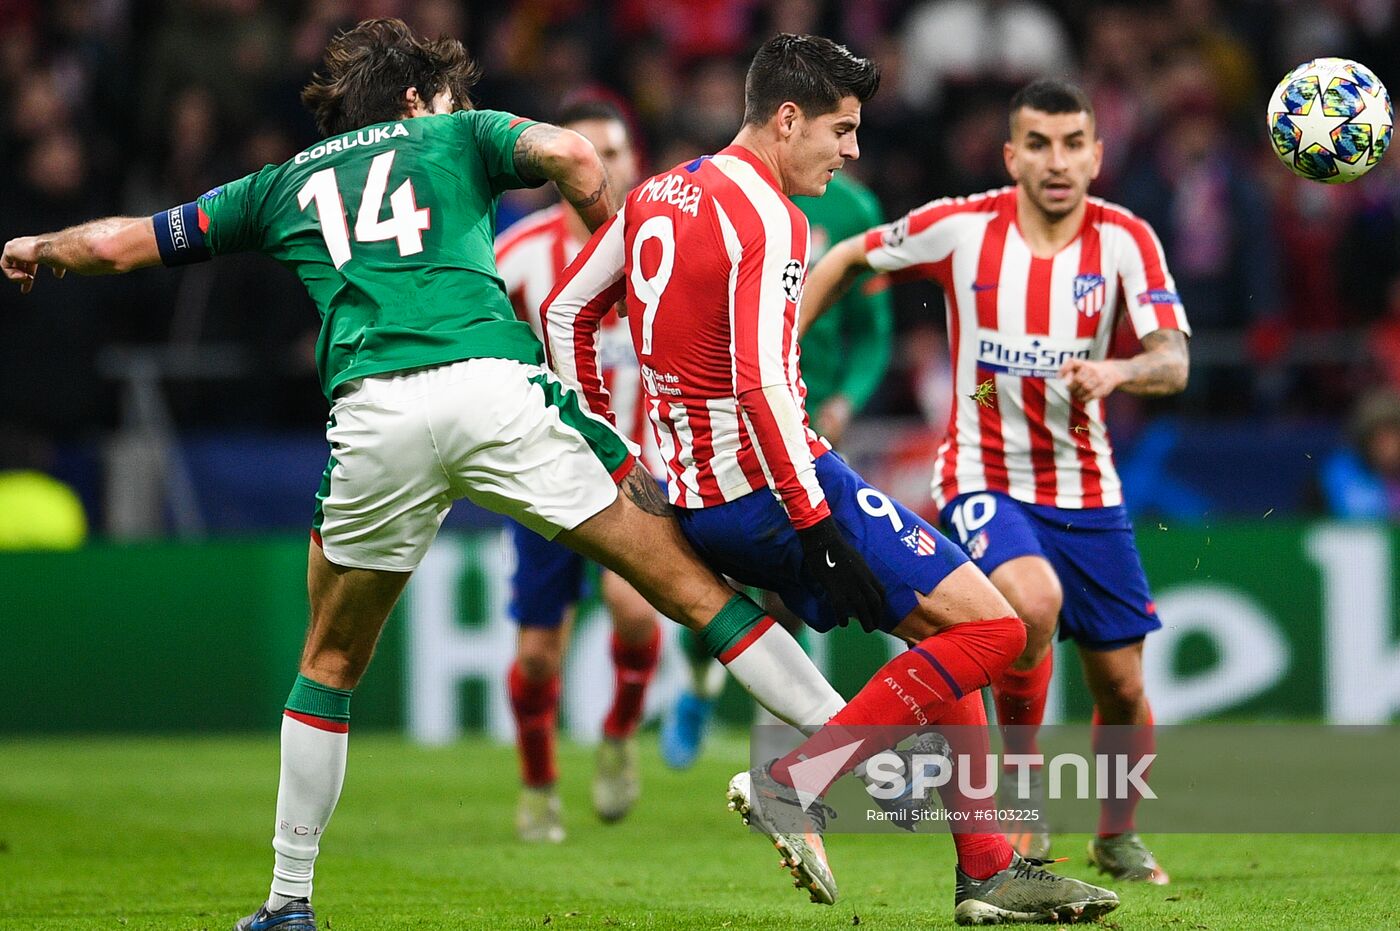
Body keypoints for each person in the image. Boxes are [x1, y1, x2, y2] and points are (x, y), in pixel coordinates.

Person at [1, 20, 872, 931]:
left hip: (375, 415)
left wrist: (41, 247)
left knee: (328, 663)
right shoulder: (458, 133)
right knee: (693, 588)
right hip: (497, 390)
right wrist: (617, 247)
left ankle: (289, 900)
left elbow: (118, 247)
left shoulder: (280, 182)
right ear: (419, 100)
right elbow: (574, 152)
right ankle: (837, 733)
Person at [544, 34, 1117, 925]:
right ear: (786, 119)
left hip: (702, 496)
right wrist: (815, 520)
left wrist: (610, 450)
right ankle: (796, 782)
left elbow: (566, 308)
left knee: (948, 632)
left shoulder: (655, 193)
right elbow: (760, 382)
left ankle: (989, 870)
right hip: (781, 487)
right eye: (841, 130)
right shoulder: (774, 217)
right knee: (1000, 628)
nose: (851, 150)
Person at [804, 78, 1191, 884]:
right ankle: (1021, 787)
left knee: (1121, 685)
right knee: (1030, 602)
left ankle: (1116, 834)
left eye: (1072, 143)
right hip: (983, 472)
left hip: (1088, 486)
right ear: (1012, 154)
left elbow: (1173, 359)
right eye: (1039, 144)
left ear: (1096, 153)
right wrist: (781, 343)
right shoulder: (960, 228)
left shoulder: (1127, 240)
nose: (1057, 161)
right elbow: (848, 255)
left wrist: (1118, 370)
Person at [660, 169, 895, 770]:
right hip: (721, 424)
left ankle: (780, 748)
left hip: (806, 422)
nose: (849, 150)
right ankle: (699, 685)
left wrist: (846, 398)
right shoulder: (719, 197)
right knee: (711, 583)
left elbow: (874, 335)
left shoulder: (851, 207)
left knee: (786, 583)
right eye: (840, 129)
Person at [493, 97, 660, 841]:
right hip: (545, 480)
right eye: (587, 149)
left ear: (633, 160)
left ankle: (620, 731)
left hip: (638, 474)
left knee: (633, 608)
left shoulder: (661, 249)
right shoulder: (516, 256)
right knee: (536, 657)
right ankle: (538, 782)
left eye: (616, 149)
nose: (604, 162)